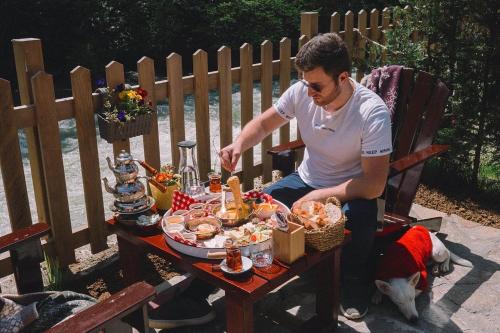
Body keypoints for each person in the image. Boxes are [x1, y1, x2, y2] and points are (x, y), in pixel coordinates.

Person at [219, 32, 392, 319]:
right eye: (305, 83)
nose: (309, 93)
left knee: (360, 217)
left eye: (316, 86)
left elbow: (374, 185)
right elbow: (263, 125)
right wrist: (238, 144)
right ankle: (261, 268)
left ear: (343, 77)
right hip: (306, 178)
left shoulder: (371, 112)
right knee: (264, 204)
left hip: (351, 189)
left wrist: (320, 196)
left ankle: (352, 281)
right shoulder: (303, 91)